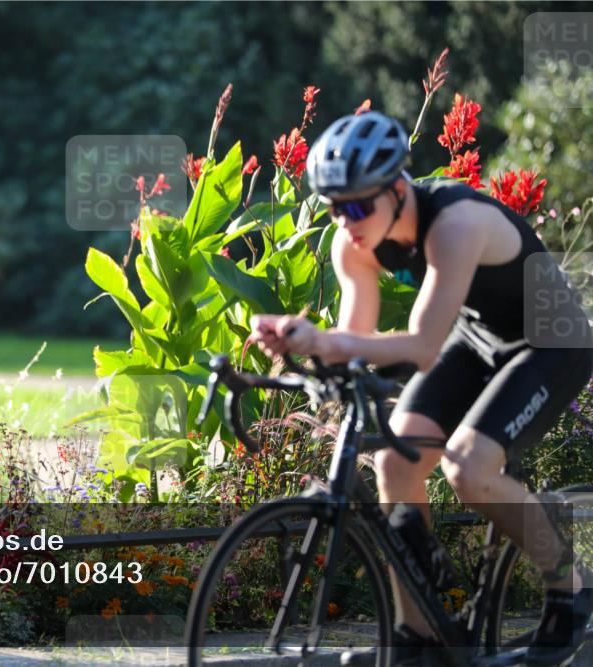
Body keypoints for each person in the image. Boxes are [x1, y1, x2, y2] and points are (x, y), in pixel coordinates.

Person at [247, 111, 593, 666]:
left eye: (358, 205)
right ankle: (418, 636)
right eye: (335, 207)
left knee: (468, 469)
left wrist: (328, 342)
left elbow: (422, 345)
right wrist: (303, 341)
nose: (346, 220)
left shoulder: (455, 222)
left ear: (397, 188)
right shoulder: (352, 244)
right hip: (479, 337)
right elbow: (356, 340)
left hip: (552, 343)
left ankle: (573, 588)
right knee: (393, 462)